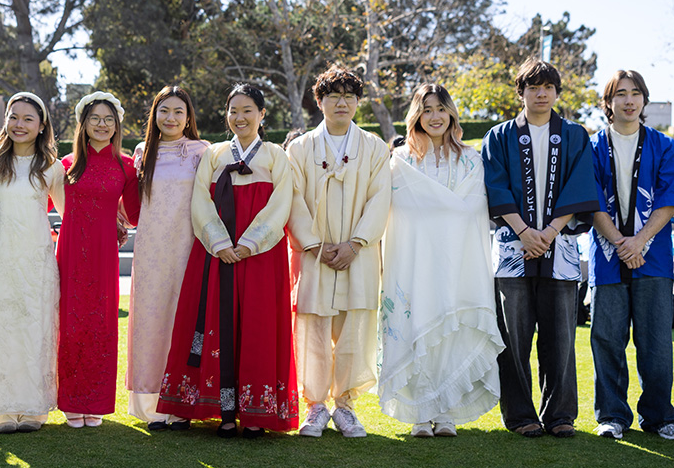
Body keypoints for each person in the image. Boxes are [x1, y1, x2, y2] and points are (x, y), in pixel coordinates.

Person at [156, 83, 298, 437]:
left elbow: (281, 204)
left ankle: (254, 413)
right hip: (216, 254)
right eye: (233, 110)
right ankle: (219, 410)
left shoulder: (276, 157)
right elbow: (200, 202)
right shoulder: (215, 154)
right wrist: (220, 243)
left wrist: (250, 243)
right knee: (214, 323)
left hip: (260, 255)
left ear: (262, 115)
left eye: (248, 110)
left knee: (257, 326)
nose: (240, 117)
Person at [480, 58, 598, 439]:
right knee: (513, 338)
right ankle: (520, 415)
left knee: (561, 337)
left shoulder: (576, 135)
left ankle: (560, 414)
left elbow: (581, 186)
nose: (541, 93)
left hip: (559, 249)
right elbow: (493, 186)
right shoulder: (498, 137)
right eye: (533, 87)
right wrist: (525, 231)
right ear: (521, 93)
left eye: (548, 87)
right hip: (513, 251)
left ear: (557, 92)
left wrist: (547, 231)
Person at [377, 84, 504, 437]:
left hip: (457, 258)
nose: (434, 117)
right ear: (416, 116)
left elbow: (473, 207)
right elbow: (403, 207)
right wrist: (440, 209)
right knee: (418, 324)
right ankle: (420, 412)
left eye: (440, 109)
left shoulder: (471, 159)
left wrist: (440, 209)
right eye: (426, 109)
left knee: (452, 328)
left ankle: (445, 410)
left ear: (451, 113)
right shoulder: (401, 160)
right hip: (415, 257)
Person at [286, 65, 391, 439]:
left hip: (357, 255)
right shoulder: (299, 149)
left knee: (354, 328)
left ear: (358, 102)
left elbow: (381, 199)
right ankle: (315, 406)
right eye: (334, 95)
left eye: (349, 96)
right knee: (312, 327)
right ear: (320, 101)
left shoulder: (375, 148)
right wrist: (314, 243)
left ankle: (345, 405)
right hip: (313, 253)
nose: (342, 102)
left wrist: (356, 243)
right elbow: (292, 198)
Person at [587, 71, 674, 441]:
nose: (629, 101)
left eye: (636, 94)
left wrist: (639, 241)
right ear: (608, 102)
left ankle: (660, 416)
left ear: (644, 101)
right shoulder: (594, 147)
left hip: (654, 258)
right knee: (607, 339)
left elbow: (670, 200)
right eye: (620, 95)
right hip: (607, 256)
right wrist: (620, 243)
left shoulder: (664, 147)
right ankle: (612, 415)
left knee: (656, 342)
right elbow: (592, 200)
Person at [0, 93, 63, 434]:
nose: (19, 124)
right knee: (3, 330)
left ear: (41, 127)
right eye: (13, 117)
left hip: (38, 261)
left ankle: (33, 409)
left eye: (28, 119)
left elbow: (70, 214)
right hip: (2, 259)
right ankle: (2, 410)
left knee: (35, 331)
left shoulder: (52, 167)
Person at [124, 87, 208, 430]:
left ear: (189, 117)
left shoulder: (203, 152)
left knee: (186, 323)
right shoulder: (144, 152)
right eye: (163, 111)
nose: (170, 118)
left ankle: (184, 404)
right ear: (154, 116)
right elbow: (131, 208)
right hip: (150, 250)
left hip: (189, 248)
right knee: (151, 322)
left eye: (178, 112)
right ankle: (154, 405)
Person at [57, 91, 140, 428]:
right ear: (84, 124)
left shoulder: (127, 165)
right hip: (71, 252)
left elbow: (134, 214)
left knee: (102, 325)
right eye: (95, 119)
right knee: (71, 324)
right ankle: (71, 401)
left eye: (108, 119)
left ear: (117, 124)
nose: (102, 125)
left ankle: (97, 401)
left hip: (105, 255)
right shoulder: (66, 164)